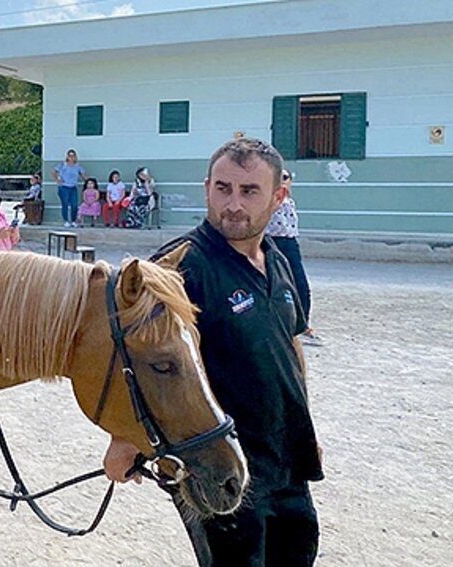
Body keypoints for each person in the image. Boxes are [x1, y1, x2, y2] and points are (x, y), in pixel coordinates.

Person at [104, 138, 324, 567]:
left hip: (287, 458)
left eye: (249, 191)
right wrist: (122, 438)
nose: (233, 204)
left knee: (299, 551)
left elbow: (291, 345)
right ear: (207, 188)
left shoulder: (277, 261)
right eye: (223, 189)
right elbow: (133, 358)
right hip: (218, 463)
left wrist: (306, 426)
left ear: (279, 197)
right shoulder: (178, 267)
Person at [266, 170, 323, 346]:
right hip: (271, 242)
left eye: (285, 178)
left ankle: (303, 326)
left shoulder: (290, 202)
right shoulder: (267, 201)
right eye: (278, 178)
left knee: (300, 285)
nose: (281, 181)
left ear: (290, 181)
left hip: (290, 243)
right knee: (271, 285)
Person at [52, 149, 87, 227]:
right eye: (70, 155)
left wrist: (89, 182)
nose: (71, 157)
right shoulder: (63, 165)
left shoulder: (78, 166)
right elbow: (54, 172)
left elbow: (84, 175)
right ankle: (66, 220)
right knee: (65, 204)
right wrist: (57, 180)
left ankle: (73, 220)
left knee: (74, 204)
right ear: (67, 156)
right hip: (64, 187)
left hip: (73, 187)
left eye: (73, 155)